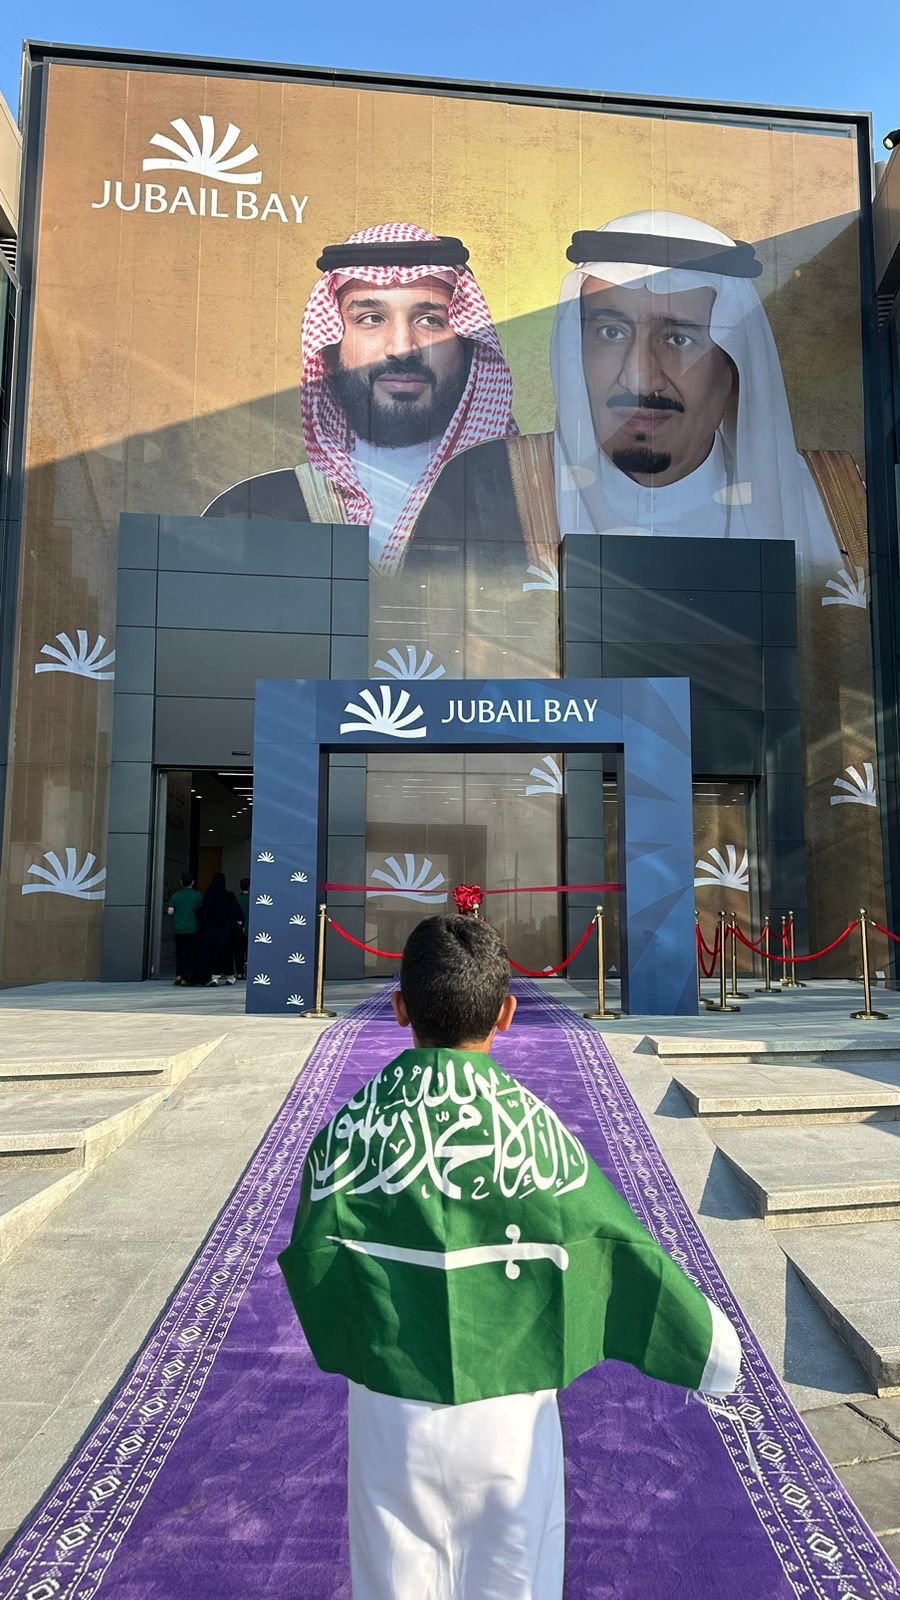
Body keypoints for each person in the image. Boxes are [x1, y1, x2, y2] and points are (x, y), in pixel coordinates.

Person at [279, 915, 741, 1600]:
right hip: (511, 1420)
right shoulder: (537, 1134)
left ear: (399, 1007)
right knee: (513, 1578)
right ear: (507, 1014)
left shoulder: (349, 1131)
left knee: (394, 1578)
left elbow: (316, 1260)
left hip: (389, 1412)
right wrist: (710, 1346)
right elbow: (614, 1243)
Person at [203, 222, 516, 577]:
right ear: (330, 348)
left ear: (469, 347)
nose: (402, 348)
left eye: (430, 320)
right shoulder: (256, 507)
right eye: (371, 319)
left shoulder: (525, 506)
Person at [195, 872, 244, 987]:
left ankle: (214, 977)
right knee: (227, 954)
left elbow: (202, 912)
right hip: (226, 931)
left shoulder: (209, 895)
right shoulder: (229, 896)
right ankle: (229, 976)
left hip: (211, 931)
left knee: (213, 954)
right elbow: (236, 912)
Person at [165, 870, 202, 986]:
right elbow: (201, 911)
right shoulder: (198, 896)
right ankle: (187, 977)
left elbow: (170, 912)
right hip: (192, 928)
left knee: (179, 953)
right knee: (190, 954)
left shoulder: (175, 896)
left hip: (178, 929)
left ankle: (179, 975)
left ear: (181, 882)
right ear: (193, 882)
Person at [237, 876, 251, 979]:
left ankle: (240, 972)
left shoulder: (237, 899)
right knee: (249, 951)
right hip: (249, 928)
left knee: (239, 951)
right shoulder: (252, 899)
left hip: (238, 928)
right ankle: (248, 971)